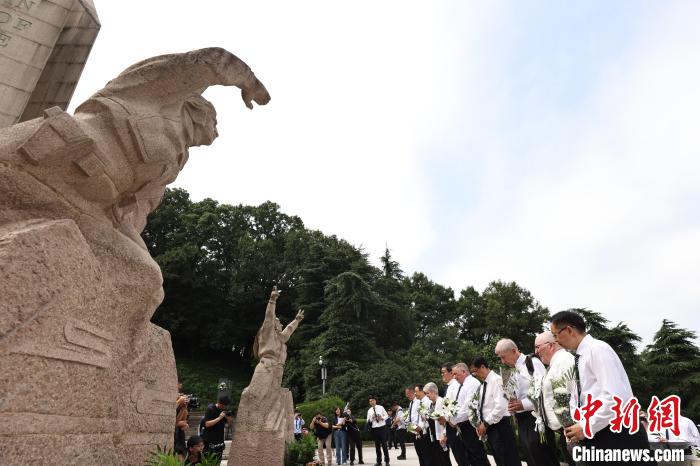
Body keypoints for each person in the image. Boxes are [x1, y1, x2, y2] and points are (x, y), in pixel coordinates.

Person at [551, 310, 655, 465]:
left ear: (569, 330)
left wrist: (586, 426)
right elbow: (581, 397)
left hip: (617, 436)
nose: (556, 341)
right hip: (600, 435)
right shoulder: (579, 357)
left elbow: (616, 398)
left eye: (556, 335)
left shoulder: (597, 350)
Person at [495, 338, 558, 466]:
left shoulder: (532, 362)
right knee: (531, 457)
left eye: (503, 357)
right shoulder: (512, 370)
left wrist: (523, 404)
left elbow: (543, 391)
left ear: (513, 351)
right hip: (522, 420)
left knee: (542, 457)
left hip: (535, 417)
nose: (502, 361)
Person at [535, 331, 577, 466]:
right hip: (565, 430)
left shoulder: (564, 361)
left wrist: (570, 425)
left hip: (573, 430)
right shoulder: (555, 364)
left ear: (551, 345)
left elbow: (572, 394)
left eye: (537, 347)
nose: (536, 352)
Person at [470, 357, 520, 466]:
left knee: (507, 459)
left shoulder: (496, 380)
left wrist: (486, 423)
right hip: (491, 428)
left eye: (475, 371)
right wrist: (479, 423)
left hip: (500, 426)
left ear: (483, 367)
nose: (475, 374)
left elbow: (500, 407)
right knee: (500, 460)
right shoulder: (484, 385)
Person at [447, 362, 490, 466]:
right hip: (462, 425)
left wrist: (453, 420)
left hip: (471, 425)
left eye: (455, 374)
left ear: (463, 371)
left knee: (478, 456)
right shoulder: (461, 385)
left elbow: (468, 409)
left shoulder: (472, 384)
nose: (454, 377)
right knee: (470, 457)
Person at [423, 382, 452, 466]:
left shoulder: (442, 401)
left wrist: (444, 434)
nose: (427, 396)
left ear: (433, 392)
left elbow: (447, 419)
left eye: (427, 393)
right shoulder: (430, 404)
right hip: (434, 436)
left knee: (444, 459)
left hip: (442, 436)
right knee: (437, 459)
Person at [202, 395, 232, 463]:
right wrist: (219, 418)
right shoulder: (211, 409)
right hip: (209, 440)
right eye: (222, 406)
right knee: (208, 461)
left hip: (219, 441)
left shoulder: (225, 410)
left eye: (225, 406)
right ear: (218, 402)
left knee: (218, 462)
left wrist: (228, 416)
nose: (223, 407)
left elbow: (229, 424)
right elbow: (207, 424)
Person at [367, 395, 391, 466]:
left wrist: (382, 418)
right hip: (375, 429)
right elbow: (367, 420)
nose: (371, 402)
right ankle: (379, 461)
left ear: (375, 401)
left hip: (382, 428)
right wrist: (372, 417)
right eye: (370, 401)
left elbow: (386, 416)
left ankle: (387, 461)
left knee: (384, 445)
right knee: (377, 446)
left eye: (372, 400)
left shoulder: (381, 407)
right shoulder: (369, 411)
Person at [175, 394, 189, 459]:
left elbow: (184, 422)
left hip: (180, 437)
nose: (185, 401)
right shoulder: (174, 407)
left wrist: (183, 409)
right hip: (175, 438)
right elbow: (175, 423)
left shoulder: (182, 408)